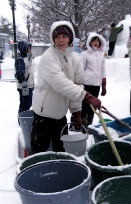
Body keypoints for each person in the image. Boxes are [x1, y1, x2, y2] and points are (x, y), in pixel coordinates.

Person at [30, 21, 101, 154]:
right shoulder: (48, 57)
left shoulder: (76, 60)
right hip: (43, 113)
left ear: (70, 38)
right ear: (53, 38)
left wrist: (76, 113)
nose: (61, 40)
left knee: (61, 149)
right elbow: (60, 83)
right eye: (57, 37)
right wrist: (87, 96)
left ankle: (60, 171)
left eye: (64, 36)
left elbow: (76, 85)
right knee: (39, 149)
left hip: (60, 113)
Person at [80, 32, 106, 132]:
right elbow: (81, 69)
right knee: (85, 106)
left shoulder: (101, 55)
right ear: (90, 42)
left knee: (93, 107)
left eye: (97, 41)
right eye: (94, 41)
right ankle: (83, 126)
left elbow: (103, 69)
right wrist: (79, 83)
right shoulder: (85, 54)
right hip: (87, 84)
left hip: (96, 85)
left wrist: (104, 84)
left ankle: (89, 126)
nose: (96, 43)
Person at [15, 40, 34, 115]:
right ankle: (22, 119)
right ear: (24, 48)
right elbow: (19, 73)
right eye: (28, 47)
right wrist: (24, 85)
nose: (30, 49)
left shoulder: (24, 58)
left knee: (27, 104)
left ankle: (24, 118)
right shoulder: (20, 59)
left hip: (28, 86)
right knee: (25, 105)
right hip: (25, 87)